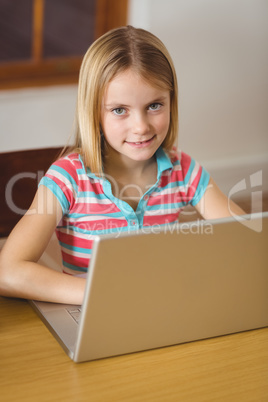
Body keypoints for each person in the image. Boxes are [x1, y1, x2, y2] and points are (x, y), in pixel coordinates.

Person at [0, 26, 244, 304]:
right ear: (93, 112)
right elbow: (7, 272)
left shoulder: (183, 170)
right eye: (119, 110)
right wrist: (105, 295)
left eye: (154, 105)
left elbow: (245, 240)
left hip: (165, 306)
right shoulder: (67, 179)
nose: (140, 126)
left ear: (171, 101)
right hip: (93, 313)